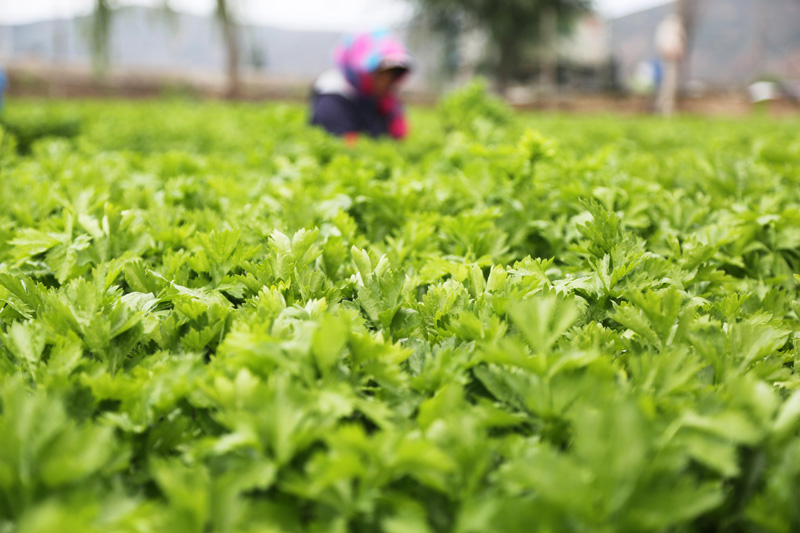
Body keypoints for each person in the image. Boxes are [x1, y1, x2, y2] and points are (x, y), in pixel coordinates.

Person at [310, 31, 412, 141]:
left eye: (391, 75)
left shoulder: (384, 102)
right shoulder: (332, 102)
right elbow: (344, 145)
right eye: (380, 74)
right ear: (361, 70)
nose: (386, 82)